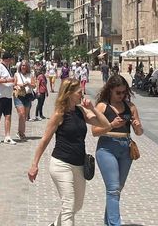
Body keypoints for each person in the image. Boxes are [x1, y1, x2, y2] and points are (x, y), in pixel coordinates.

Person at [27, 78, 111, 225]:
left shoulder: (81, 111)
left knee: (77, 205)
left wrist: (92, 108)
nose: (82, 94)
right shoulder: (59, 114)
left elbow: (106, 125)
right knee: (68, 205)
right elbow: (45, 140)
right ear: (69, 93)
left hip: (79, 165)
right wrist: (34, 164)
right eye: (79, 92)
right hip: (61, 164)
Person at [93, 75, 144, 226]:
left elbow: (140, 132)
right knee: (113, 188)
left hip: (125, 148)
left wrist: (137, 126)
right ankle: (115, 224)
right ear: (110, 91)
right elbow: (94, 131)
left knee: (117, 189)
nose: (121, 96)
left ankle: (108, 222)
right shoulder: (103, 106)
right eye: (118, 93)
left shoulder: (131, 106)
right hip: (107, 148)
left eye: (124, 92)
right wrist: (111, 125)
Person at [0, 52, 16, 145]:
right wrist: (7, 80)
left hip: (8, 95)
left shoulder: (8, 67)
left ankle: (7, 136)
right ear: (7, 59)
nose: (12, 61)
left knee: (8, 116)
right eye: (11, 59)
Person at [14, 61, 35, 140]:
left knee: (25, 116)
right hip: (19, 95)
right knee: (21, 114)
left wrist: (28, 84)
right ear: (20, 66)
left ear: (27, 67)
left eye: (25, 65)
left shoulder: (30, 75)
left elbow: (34, 85)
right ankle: (21, 133)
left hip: (28, 96)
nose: (24, 67)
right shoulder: (17, 74)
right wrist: (19, 85)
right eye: (22, 65)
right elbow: (14, 84)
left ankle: (20, 132)